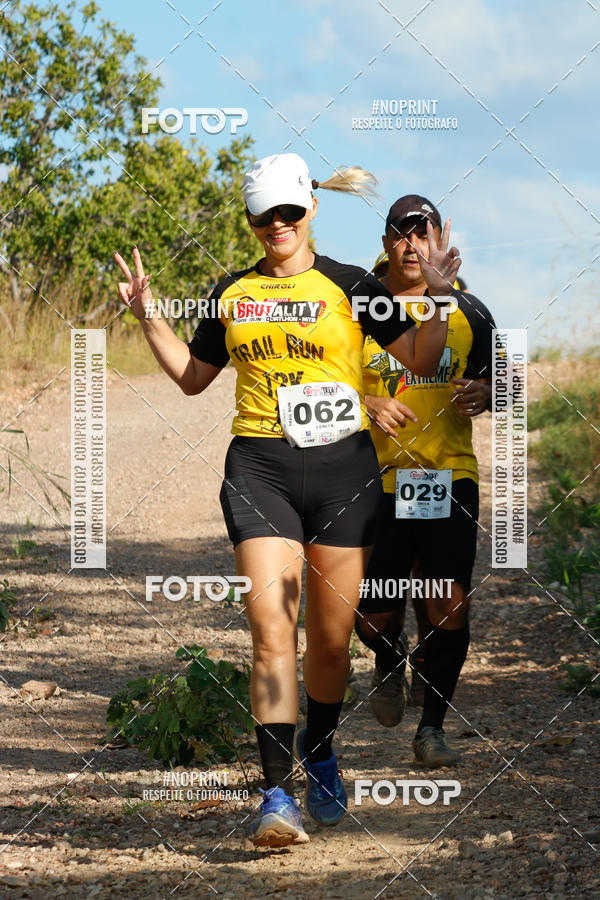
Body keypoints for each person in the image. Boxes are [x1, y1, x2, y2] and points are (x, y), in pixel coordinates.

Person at [115, 160, 461, 846]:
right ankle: (276, 796)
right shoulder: (232, 291)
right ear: (249, 220)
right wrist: (149, 316)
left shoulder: (353, 286)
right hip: (260, 467)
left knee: (330, 644)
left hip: (343, 473)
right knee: (272, 628)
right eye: (263, 216)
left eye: (289, 213)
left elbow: (421, 361)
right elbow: (191, 377)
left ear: (309, 209)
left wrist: (442, 301)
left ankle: (322, 750)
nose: (277, 226)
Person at [356, 194, 495, 767]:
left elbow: (508, 384)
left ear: (440, 238)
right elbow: (321, 377)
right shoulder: (358, 305)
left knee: (447, 604)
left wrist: (490, 394)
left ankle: (431, 728)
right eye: (400, 233)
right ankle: (389, 659)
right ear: (387, 240)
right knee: (372, 614)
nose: (411, 245)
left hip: (447, 474)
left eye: (423, 232)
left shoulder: (472, 311)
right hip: (373, 478)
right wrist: (367, 400)